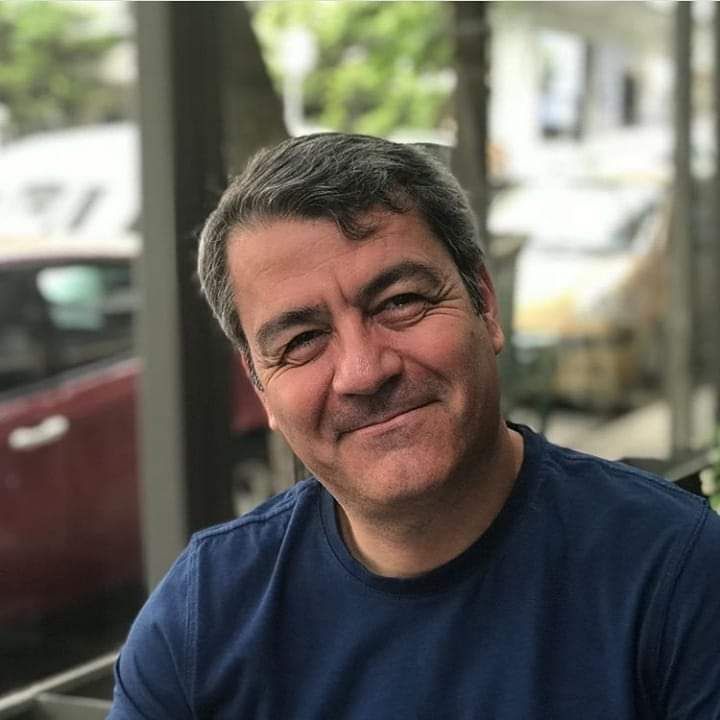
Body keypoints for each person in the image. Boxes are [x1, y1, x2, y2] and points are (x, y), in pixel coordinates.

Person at [109, 134, 720, 719]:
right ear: (259, 385)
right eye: (301, 340)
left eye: (400, 302)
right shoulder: (202, 616)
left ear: (485, 303)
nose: (363, 372)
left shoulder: (678, 574)